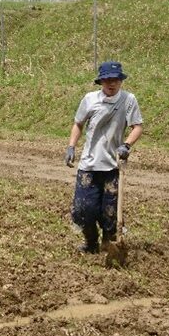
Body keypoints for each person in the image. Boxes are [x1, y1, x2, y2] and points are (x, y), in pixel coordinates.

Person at [65, 61, 144, 254]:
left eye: (115, 80)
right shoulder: (90, 100)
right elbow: (78, 124)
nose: (112, 84)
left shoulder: (128, 100)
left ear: (120, 81)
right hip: (89, 165)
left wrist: (126, 145)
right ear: (101, 81)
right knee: (85, 209)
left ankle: (109, 245)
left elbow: (137, 126)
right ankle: (90, 242)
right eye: (108, 80)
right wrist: (71, 146)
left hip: (112, 167)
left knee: (110, 211)